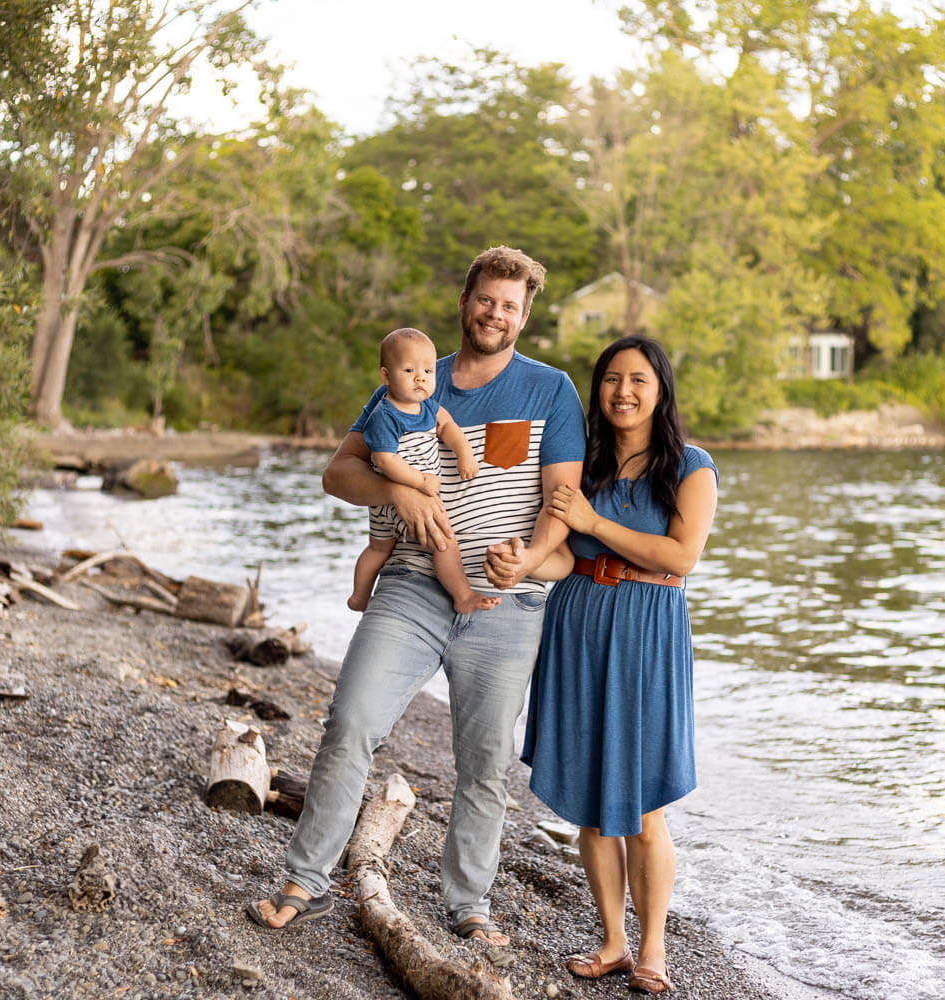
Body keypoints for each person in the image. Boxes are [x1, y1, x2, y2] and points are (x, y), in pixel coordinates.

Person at [248, 246, 586, 950]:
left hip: (507, 601)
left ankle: (469, 904)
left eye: (510, 306)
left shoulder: (551, 390)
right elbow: (338, 474)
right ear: (465, 302)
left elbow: (563, 499)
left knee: (485, 762)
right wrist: (397, 492)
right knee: (350, 723)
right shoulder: (413, 377)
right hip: (410, 586)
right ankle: (304, 882)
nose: (495, 314)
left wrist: (529, 557)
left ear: (524, 317)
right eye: (486, 299)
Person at [519, 335, 719, 995]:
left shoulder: (690, 466)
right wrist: (521, 563)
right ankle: (612, 942)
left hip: (647, 632)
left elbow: (680, 557)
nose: (623, 392)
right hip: (578, 624)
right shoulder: (583, 463)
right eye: (611, 379)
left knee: (644, 805)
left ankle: (653, 949)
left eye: (637, 380)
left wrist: (594, 522)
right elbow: (563, 555)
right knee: (589, 802)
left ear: (660, 390)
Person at [348, 326, 500, 615]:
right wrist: (420, 482)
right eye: (409, 370)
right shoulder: (385, 415)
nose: (420, 377)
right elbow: (384, 460)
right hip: (400, 496)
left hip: (386, 504)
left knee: (379, 548)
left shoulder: (427, 407)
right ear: (386, 376)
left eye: (428, 371)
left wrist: (464, 454)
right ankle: (462, 595)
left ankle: (359, 597)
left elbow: (448, 426)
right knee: (444, 541)